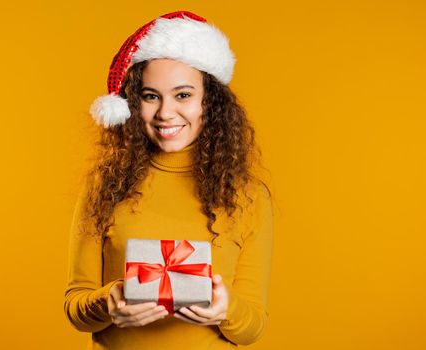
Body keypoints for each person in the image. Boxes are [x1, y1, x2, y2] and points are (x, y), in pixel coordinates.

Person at [64, 10, 274, 350]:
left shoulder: (248, 196)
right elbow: (75, 306)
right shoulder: (106, 186)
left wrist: (226, 309)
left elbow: (253, 327)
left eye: (183, 95)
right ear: (134, 103)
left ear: (210, 102)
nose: (165, 112)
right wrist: (109, 302)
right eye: (150, 96)